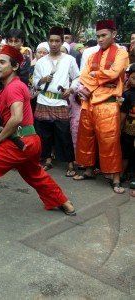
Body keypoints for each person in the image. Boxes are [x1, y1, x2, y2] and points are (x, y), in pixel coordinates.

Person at [0, 45, 76, 231]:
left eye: (2, 62)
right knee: (35, 174)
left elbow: (17, 118)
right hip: (30, 142)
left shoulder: (14, 88)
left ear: (15, 66)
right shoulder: (6, 90)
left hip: (20, 142)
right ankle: (65, 203)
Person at [74, 20, 129, 194]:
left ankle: (116, 178)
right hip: (88, 103)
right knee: (86, 138)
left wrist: (93, 77)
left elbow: (114, 73)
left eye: (103, 35)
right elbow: (83, 76)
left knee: (110, 142)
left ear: (113, 34)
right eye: (97, 36)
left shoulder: (121, 54)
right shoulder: (91, 55)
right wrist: (99, 82)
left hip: (108, 104)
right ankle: (89, 171)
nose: (99, 39)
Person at [33, 27, 79, 177]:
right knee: (44, 134)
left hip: (60, 102)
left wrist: (71, 89)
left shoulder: (69, 60)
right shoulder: (41, 62)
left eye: (57, 41)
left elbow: (77, 77)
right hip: (43, 100)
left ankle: (70, 163)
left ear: (61, 41)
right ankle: (47, 160)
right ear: (48, 41)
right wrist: (42, 79)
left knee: (64, 134)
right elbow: (34, 84)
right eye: (51, 40)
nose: (54, 44)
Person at [120, 64, 135, 197]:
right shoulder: (127, 94)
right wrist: (120, 129)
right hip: (129, 130)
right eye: (133, 78)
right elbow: (123, 115)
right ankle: (121, 175)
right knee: (125, 152)